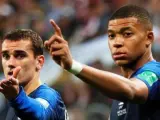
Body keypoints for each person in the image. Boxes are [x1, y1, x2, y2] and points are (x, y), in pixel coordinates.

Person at [45, 5, 160, 120]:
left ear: (148, 38)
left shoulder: (156, 73)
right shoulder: (118, 98)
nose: (117, 42)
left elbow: (133, 89)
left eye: (127, 34)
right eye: (111, 36)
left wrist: (72, 66)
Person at [0, 29, 69, 120]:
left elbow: (39, 114)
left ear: (39, 62)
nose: (10, 63)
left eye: (20, 55)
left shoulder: (50, 96)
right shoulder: (9, 106)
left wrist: (17, 98)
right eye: (6, 56)